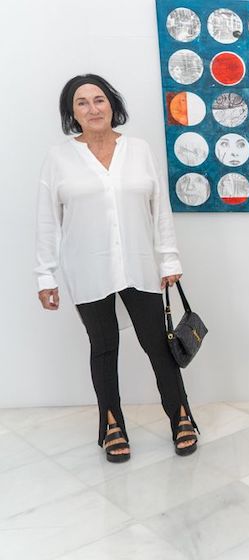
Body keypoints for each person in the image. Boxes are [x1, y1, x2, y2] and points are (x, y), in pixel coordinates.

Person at [35, 74, 199, 463]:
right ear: (72, 112)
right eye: (82, 102)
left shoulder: (139, 150)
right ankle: (111, 424)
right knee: (104, 346)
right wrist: (45, 275)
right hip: (86, 268)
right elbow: (47, 221)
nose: (92, 108)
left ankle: (181, 416)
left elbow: (160, 208)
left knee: (158, 344)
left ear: (112, 104)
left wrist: (169, 258)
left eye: (99, 100)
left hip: (140, 264)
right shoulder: (58, 159)